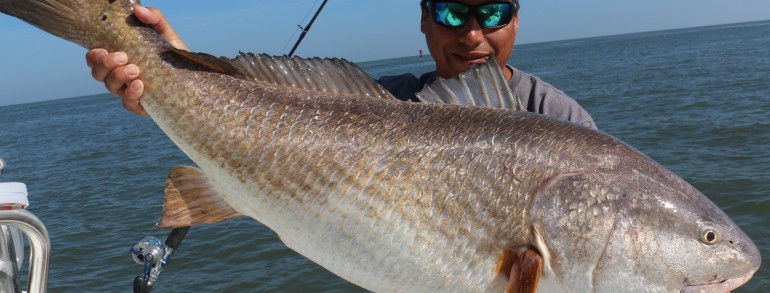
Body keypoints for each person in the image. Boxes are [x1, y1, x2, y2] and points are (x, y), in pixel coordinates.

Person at [86, 0, 597, 129]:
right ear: (423, 21)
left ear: (516, 21)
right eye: (449, 12)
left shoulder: (564, 121)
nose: (471, 33)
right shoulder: (374, 102)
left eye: (491, 13)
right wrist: (164, 84)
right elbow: (265, 124)